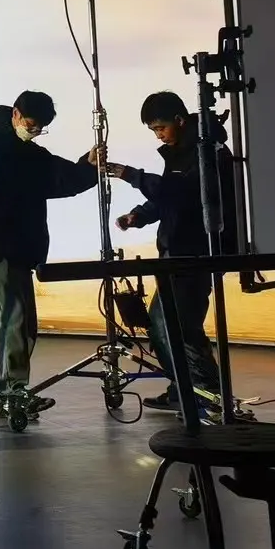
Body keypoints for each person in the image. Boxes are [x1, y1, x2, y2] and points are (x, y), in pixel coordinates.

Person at [0, 91, 102, 426]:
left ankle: (8, 395)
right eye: (32, 124)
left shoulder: (31, 154)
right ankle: (9, 394)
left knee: (26, 326)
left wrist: (88, 166)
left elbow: (61, 179)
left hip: (22, 250)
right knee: (11, 321)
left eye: (40, 128)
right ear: (16, 114)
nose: (34, 131)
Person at [94, 91, 236, 413]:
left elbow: (182, 194)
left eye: (160, 128)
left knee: (175, 326)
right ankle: (184, 391)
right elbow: (170, 197)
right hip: (177, 254)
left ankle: (208, 396)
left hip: (194, 254)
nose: (158, 135)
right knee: (171, 325)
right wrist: (139, 216)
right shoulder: (182, 152)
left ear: (180, 121)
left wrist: (130, 174)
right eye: (153, 131)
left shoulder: (207, 151)